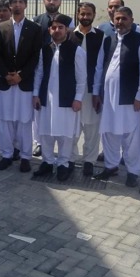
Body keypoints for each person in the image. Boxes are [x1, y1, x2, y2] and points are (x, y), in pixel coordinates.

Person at [92, 5, 140, 186]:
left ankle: (133, 172)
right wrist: (96, 92)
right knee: (108, 132)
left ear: (131, 20)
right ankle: (111, 166)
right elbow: (99, 67)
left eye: (124, 18)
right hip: (107, 97)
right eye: (117, 18)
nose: (120, 22)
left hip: (129, 97)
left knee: (131, 136)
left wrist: (139, 96)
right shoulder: (108, 40)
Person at [33, 14, 86, 180]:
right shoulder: (45, 49)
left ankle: (63, 164)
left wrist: (78, 98)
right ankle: (47, 162)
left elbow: (82, 78)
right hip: (46, 99)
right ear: (49, 30)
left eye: (60, 27)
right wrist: (35, 94)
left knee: (65, 134)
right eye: (54, 27)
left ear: (66, 30)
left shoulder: (76, 50)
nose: (57, 30)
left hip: (67, 100)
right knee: (46, 133)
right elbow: (39, 73)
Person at [0, 0, 41, 172]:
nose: (17, 5)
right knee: (4, 121)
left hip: (24, 83)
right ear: (10, 6)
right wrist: (6, 74)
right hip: (5, 83)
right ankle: (6, 154)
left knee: (24, 122)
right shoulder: (1, 27)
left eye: (21, 2)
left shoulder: (34, 28)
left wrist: (21, 75)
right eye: (14, 2)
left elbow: (36, 56)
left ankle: (25, 156)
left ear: (25, 5)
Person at [70, 1, 104, 176]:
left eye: (88, 14)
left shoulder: (101, 36)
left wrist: (97, 91)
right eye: (82, 14)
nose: (85, 17)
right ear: (78, 15)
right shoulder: (69, 35)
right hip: (72, 90)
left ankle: (89, 160)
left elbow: (100, 66)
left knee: (91, 127)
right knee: (72, 126)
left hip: (92, 90)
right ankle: (70, 158)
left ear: (94, 15)